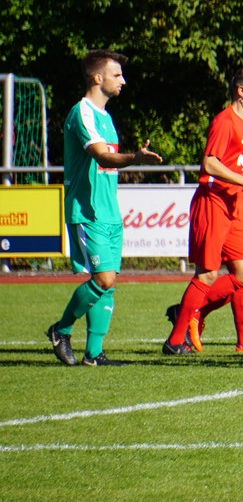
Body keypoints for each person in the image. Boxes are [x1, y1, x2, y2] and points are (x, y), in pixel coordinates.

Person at [46, 49, 162, 366]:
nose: (123, 81)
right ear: (98, 78)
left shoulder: (106, 118)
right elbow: (102, 157)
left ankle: (94, 354)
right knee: (104, 279)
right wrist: (134, 158)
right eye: (117, 75)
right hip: (88, 210)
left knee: (108, 285)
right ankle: (61, 330)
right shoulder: (81, 113)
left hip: (109, 212)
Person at [162, 67, 243, 356]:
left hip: (239, 206)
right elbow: (210, 164)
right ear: (242, 92)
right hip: (214, 205)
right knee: (208, 274)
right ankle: (175, 340)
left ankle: (207, 322)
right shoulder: (224, 122)